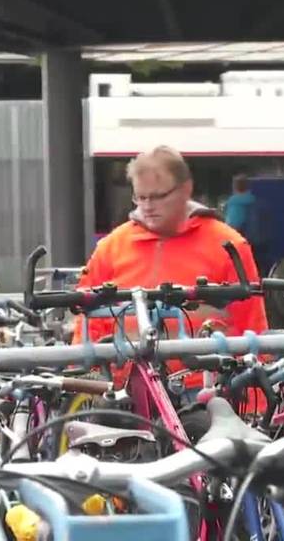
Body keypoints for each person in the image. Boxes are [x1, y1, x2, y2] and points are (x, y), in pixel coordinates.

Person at [71, 145, 268, 390]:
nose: (148, 206)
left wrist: (254, 407)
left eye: (158, 196)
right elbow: (86, 321)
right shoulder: (111, 247)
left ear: (185, 189)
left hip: (206, 392)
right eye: (141, 197)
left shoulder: (229, 246)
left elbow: (253, 327)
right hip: (126, 392)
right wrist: (83, 387)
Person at [224, 173, 270, 271]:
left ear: (234, 186)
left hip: (243, 245)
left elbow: (233, 226)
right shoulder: (258, 202)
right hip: (260, 244)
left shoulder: (235, 203)